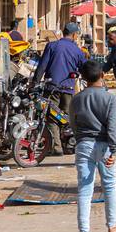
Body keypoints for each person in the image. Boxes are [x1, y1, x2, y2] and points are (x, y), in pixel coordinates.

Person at [69, 60, 116, 232]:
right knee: (109, 186)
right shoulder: (110, 98)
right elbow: (113, 127)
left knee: (84, 189)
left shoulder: (76, 99)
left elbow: (73, 124)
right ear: (102, 75)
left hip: (84, 145)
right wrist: (115, 150)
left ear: (83, 78)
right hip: (106, 145)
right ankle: (112, 226)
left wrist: (81, 139)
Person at [33, 21, 87, 156]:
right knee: (66, 118)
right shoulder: (78, 51)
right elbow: (85, 69)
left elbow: (42, 67)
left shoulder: (52, 46)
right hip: (68, 89)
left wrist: (34, 83)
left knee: (51, 117)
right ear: (74, 35)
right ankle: (68, 145)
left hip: (52, 88)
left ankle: (56, 147)